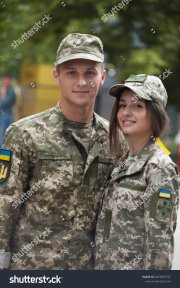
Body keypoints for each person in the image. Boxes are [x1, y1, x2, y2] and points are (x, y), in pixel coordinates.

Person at [0, 33, 126, 270]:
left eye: (90, 72)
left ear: (102, 77)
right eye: (71, 72)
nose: (81, 81)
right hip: (33, 270)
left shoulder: (115, 139)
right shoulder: (24, 133)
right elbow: (5, 202)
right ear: (56, 75)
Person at [95, 74, 179, 270]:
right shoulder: (122, 161)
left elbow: (160, 247)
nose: (126, 112)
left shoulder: (159, 167)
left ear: (155, 113)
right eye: (123, 105)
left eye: (137, 106)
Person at [0, 75, 16, 147]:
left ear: (10, 81)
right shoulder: (5, 90)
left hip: (7, 115)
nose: (5, 82)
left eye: (7, 80)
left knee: (5, 134)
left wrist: (3, 95)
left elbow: (3, 103)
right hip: (3, 115)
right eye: (4, 80)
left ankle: (3, 151)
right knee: (3, 134)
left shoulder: (11, 91)